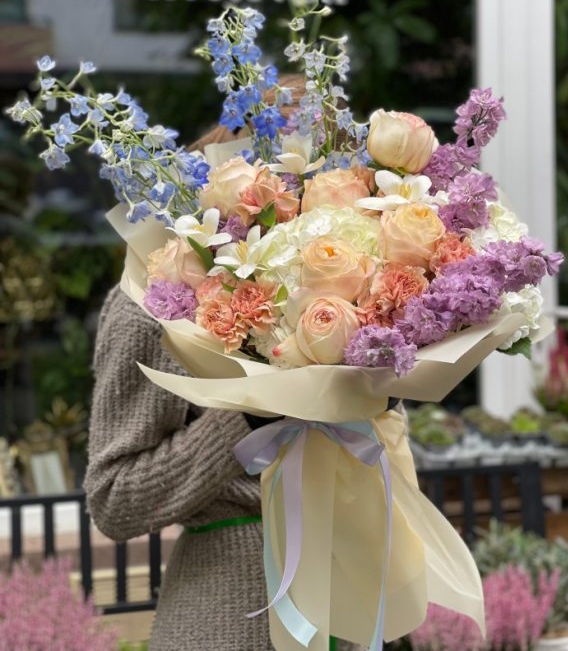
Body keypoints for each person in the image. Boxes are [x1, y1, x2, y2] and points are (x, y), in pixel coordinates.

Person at [84, 78, 366, 651]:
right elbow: (113, 499)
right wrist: (247, 419)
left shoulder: (356, 293)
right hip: (224, 617)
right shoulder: (155, 302)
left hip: (351, 601)